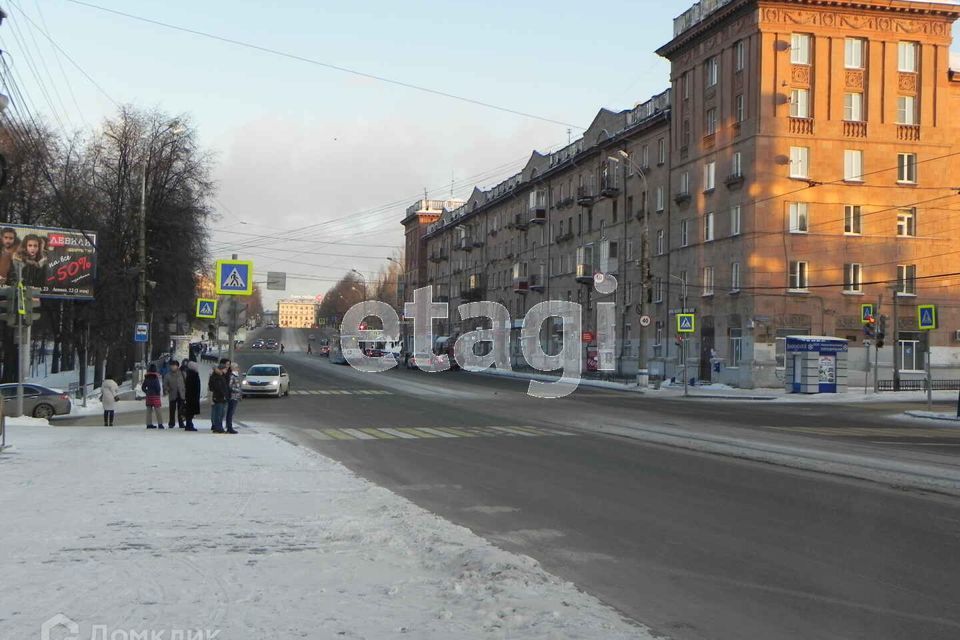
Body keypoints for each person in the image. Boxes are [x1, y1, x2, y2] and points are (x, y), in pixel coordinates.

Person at [208, 359, 231, 434]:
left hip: (222, 398)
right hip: (219, 397)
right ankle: (218, 427)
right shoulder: (216, 377)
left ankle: (219, 427)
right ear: (221, 369)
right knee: (218, 413)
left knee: (221, 413)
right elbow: (217, 388)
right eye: (225, 369)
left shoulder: (222, 376)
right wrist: (223, 394)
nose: (226, 370)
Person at [163, 360, 186, 428]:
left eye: (174, 366)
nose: (172, 367)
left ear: (177, 366)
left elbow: (186, 383)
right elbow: (165, 384)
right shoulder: (168, 375)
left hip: (181, 394)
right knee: (172, 409)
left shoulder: (182, 373)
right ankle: (171, 423)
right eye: (171, 366)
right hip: (172, 394)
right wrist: (167, 389)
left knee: (181, 410)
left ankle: (181, 423)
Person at [142, 364, 164, 429]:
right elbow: (158, 387)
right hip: (155, 396)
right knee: (158, 410)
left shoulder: (147, 378)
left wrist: (146, 391)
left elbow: (143, 387)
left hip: (148, 396)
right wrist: (158, 393)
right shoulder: (155, 377)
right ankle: (160, 424)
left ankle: (149, 424)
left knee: (148, 410)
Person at [181, 359, 200, 431]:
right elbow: (192, 387)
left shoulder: (191, 374)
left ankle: (189, 424)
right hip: (192, 396)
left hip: (191, 396)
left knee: (190, 411)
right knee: (190, 411)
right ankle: (189, 424)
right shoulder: (193, 375)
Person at [225, 362, 242, 434]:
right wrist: (237, 390)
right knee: (230, 412)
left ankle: (229, 426)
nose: (238, 368)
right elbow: (230, 386)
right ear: (233, 368)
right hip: (233, 397)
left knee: (232, 412)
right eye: (237, 367)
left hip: (236, 397)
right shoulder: (232, 376)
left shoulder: (236, 376)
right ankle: (229, 427)